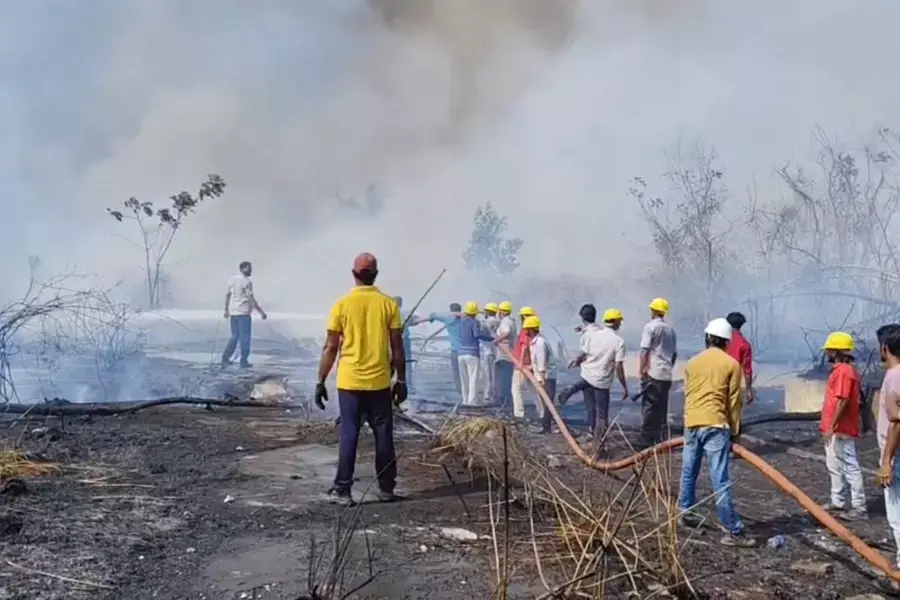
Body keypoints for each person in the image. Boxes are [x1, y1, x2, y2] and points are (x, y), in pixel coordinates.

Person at [313, 253, 407, 506]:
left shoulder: (341, 304)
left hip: (350, 382)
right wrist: (401, 380)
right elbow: (397, 348)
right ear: (375, 275)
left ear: (354, 274)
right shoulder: (389, 305)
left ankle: (343, 490)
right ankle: (386, 488)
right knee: (384, 434)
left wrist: (321, 380)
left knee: (349, 434)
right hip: (379, 382)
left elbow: (330, 347)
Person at [678, 317, 755, 547]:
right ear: (726, 342)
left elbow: (687, 393)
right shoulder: (731, 365)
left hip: (692, 423)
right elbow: (733, 403)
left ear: (707, 338)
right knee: (719, 479)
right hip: (716, 425)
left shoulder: (691, 362)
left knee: (688, 471)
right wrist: (735, 432)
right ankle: (732, 530)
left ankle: (685, 512)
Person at [558, 306, 628, 457]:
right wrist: (624, 386)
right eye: (619, 322)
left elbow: (585, 352)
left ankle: (572, 389)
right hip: (602, 381)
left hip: (588, 373)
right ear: (616, 322)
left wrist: (577, 360)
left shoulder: (594, 334)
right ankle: (597, 448)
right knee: (602, 416)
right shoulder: (618, 342)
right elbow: (618, 366)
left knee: (590, 405)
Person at [818, 331, 866, 520]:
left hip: (842, 429)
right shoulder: (841, 371)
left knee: (849, 466)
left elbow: (843, 400)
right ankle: (837, 501)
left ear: (836, 351)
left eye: (829, 349)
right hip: (835, 428)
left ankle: (859, 506)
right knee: (834, 465)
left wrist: (831, 426)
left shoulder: (845, 372)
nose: (827, 352)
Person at [875, 324, 900, 574]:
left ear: (885, 348)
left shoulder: (894, 376)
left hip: (897, 455)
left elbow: (896, 421)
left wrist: (886, 461)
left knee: (897, 517)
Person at [638, 297, 678, 448]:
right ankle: (660, 438)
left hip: (653, 372)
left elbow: (644, 351)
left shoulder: (650, 327)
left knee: (649, 405)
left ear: (653, 311)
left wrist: (642, 370)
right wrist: (668, 367)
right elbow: (674, 355)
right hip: (666, 375)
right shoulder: (671, 330)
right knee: (662, 406)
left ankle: (646, 439)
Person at [221, 261, 267, 369]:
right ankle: (244, 360)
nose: (250, 270)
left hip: (234, 312)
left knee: (234, 336)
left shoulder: (232, 279)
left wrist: (226, 309)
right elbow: (250, 298)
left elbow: (228, 295)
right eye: (248, 268)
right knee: (245, 337)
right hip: (243, 313)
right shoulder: (247, 282)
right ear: (243, 268)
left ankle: (225, 358)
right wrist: (261, 312)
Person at [523, 315, 557, 434]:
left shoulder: (540, 342)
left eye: (526, 329)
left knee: (547, 403)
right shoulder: (535, 342)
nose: (525, 331)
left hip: (547, 376)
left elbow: (542, 361)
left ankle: (547, 426)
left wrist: (542, 378)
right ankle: (546, 425)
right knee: (545, 402)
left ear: (531, 329)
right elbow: (536, 361)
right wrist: (530, 367)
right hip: (542, 375)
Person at [457, 301, 495, 406]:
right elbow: (477, 335)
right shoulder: (475, 322)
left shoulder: (462, 322)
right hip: (472, 354)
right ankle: (471, 402)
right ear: (474, 313)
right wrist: (491, 338)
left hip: (460, 354)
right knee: (473, 378)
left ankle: (465, 400)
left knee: (464, 379)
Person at [393, 296, 428, 396]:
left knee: (393, 363)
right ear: (401, 303)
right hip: (404, 340)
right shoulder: (406, 313)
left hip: (392, 341)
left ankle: (394, 384)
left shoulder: (389, 312)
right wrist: (428, 319)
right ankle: (408, 385)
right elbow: (414, 321)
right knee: (406, 362)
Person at [429, 304, 464, 395]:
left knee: (456, 372)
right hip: (465, 350)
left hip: (455, 351)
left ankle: (459, 390)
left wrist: (431, 318)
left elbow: (433, 315)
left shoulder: (448, 319)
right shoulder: (464, 319)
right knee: (464, 372)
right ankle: (465, 390)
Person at [512, 306, 537, 419]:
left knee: (516, 388)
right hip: (529, 364)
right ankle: (542, 412)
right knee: (534, 390)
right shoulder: (533, 331)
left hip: (522, 365)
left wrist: (520, 363)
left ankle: (519, 413)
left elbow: (524, 347)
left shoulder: (524, 330)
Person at [725, 312, 754, 404]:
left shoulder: (720, 340)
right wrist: (748, 390)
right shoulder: (744, 345)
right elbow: (747, 370)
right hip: (732, 383)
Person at [493, 301, 517, 407]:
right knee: (506, 378)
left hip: (504, 355)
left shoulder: (505, 322)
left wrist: (497, 340)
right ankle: (506, 400)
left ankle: (504, 401)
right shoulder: (511, 321)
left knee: (503, 378)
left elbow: (506, 332)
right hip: (509, 353)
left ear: (502, 311)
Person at [480, 302, 501, 403]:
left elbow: (481, 332)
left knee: (488, 375)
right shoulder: (499, 321)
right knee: (495, 375)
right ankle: (495, 394)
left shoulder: (485, 322)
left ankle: (488, 395)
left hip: (488, 351)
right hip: (496, 351)